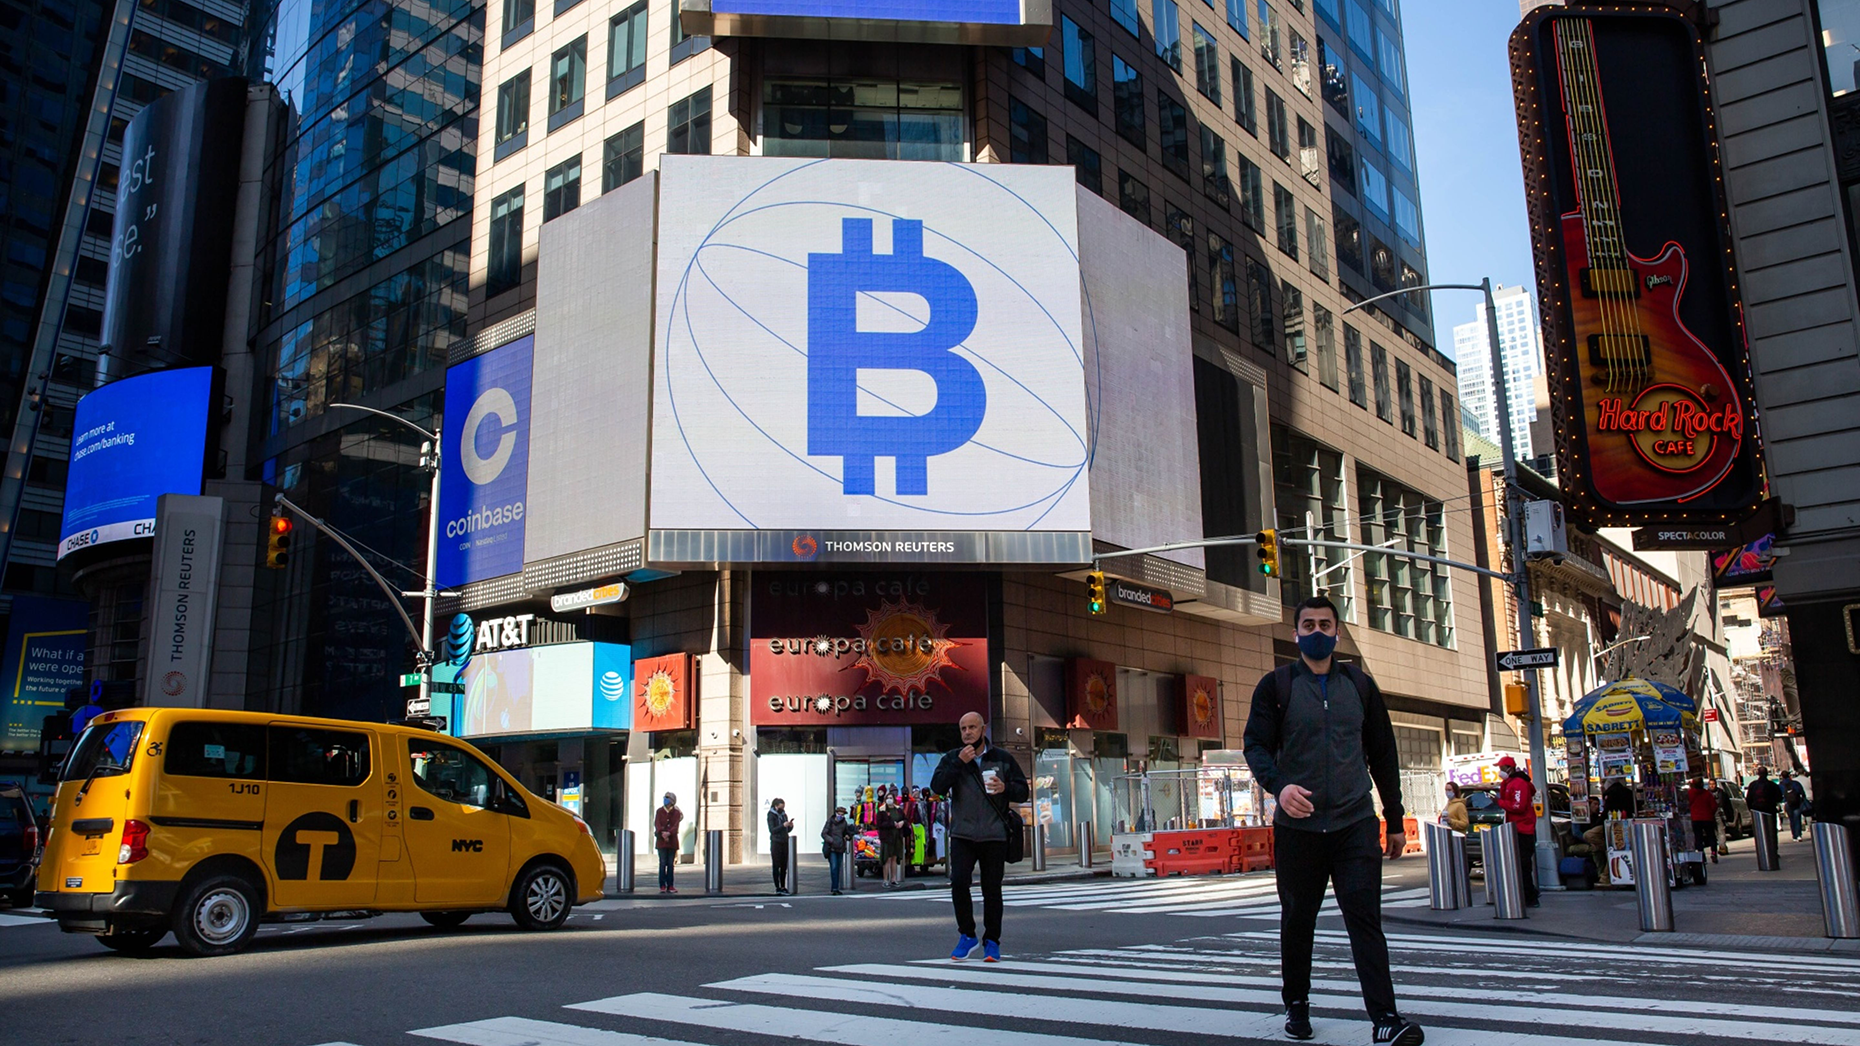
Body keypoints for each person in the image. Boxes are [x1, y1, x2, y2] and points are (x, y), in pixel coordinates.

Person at [1243, 596, 1423, 1046]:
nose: (1318, 631)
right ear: (1296, 633)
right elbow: (1256, 746)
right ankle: (1297, 1004)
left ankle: (1385, 1018)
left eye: (1326, 624)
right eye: (1309, 624)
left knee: (1364, 918)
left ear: (1338, 632)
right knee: (1298, 918)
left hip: (1354, 822)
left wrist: (1395, 818)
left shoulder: (1360, 686)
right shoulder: (1276, 686)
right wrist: (1279, 787)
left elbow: (1384, 755)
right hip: (1297, 827)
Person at [930, 710, 1029, 964]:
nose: (967, 732)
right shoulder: (953, 758)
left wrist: (1005, 788)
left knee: (992, 890)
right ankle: (967, 935)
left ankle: (992, 941)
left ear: (983, 729)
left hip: (994, 834)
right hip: (962, 834)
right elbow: (937, 787)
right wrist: (959, 763)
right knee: (959, 883)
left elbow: (1023, 791)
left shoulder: (1003, 759)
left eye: (972, 727)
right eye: (963, 728)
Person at [1494, 755, 1540, 908]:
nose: (1500, 771)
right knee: (1519, 864)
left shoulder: (1519, 783)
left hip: (1523, 829)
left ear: (1510, 768)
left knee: (1523, 864)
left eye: (1501, 768)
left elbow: (1518, 806)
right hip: (1516, 827)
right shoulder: (1509, 783)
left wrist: (1499, 802)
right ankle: (1525, 894)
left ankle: (1530, 896)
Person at [654, 792, 683, 894]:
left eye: (667, 798)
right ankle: (662, 885)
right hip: (661, 842)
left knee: (670, 864)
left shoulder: (676, 812)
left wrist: (669, 833)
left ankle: (670, 885)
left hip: (672, 843)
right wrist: (662, 833)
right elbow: (657, 824)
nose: (665, 800)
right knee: (662, 863)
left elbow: (675, 826)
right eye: (665, 798)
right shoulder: (659, 811)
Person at [1687, 778, 1720, 865]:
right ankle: (1713, 853)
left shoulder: (1690, 793)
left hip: (1696, 819)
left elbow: (1687, 804)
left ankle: (1702, 855)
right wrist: (1710, 813)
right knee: (1711, 837)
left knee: (1698, 838)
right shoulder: (1707, 794)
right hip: (1707, 818)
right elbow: (1714, 806)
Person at [821, 806, 852, 894]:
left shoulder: (844, 823)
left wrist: (848, 836)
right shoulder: (830, 822)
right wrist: (831, 840)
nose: (840, 816)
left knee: (838, 868)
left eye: (842, 815)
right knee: (834, 867)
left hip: (840, 847)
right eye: (839, 814)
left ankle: (835, 887)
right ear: (836, 813)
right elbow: (824, 833)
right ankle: (834, 887)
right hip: (832, 848)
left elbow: (846, 832)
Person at [767, 797, 794, 894]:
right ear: (776, 806)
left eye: (783, 806)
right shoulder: (771, 815)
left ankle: (783, 886)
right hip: (776, 842)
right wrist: (783, 825)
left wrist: (790, 826)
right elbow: (772, 830)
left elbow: (786, 830)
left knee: (784, 865)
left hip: (784, 841)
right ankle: (777, 886)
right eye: (781, 807)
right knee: (776, 865)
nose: (782, 808)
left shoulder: (784, 815)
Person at [1780, 770, 1808, 841]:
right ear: (1789, 776)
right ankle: (1798, 835)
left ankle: (1794, 836)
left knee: (1791, 819)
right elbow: (1802, 792)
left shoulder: (1781, 785)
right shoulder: (1795, 783)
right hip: (1797, 803)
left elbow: (1779, 795)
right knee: (1797, 818)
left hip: (1787, 803)